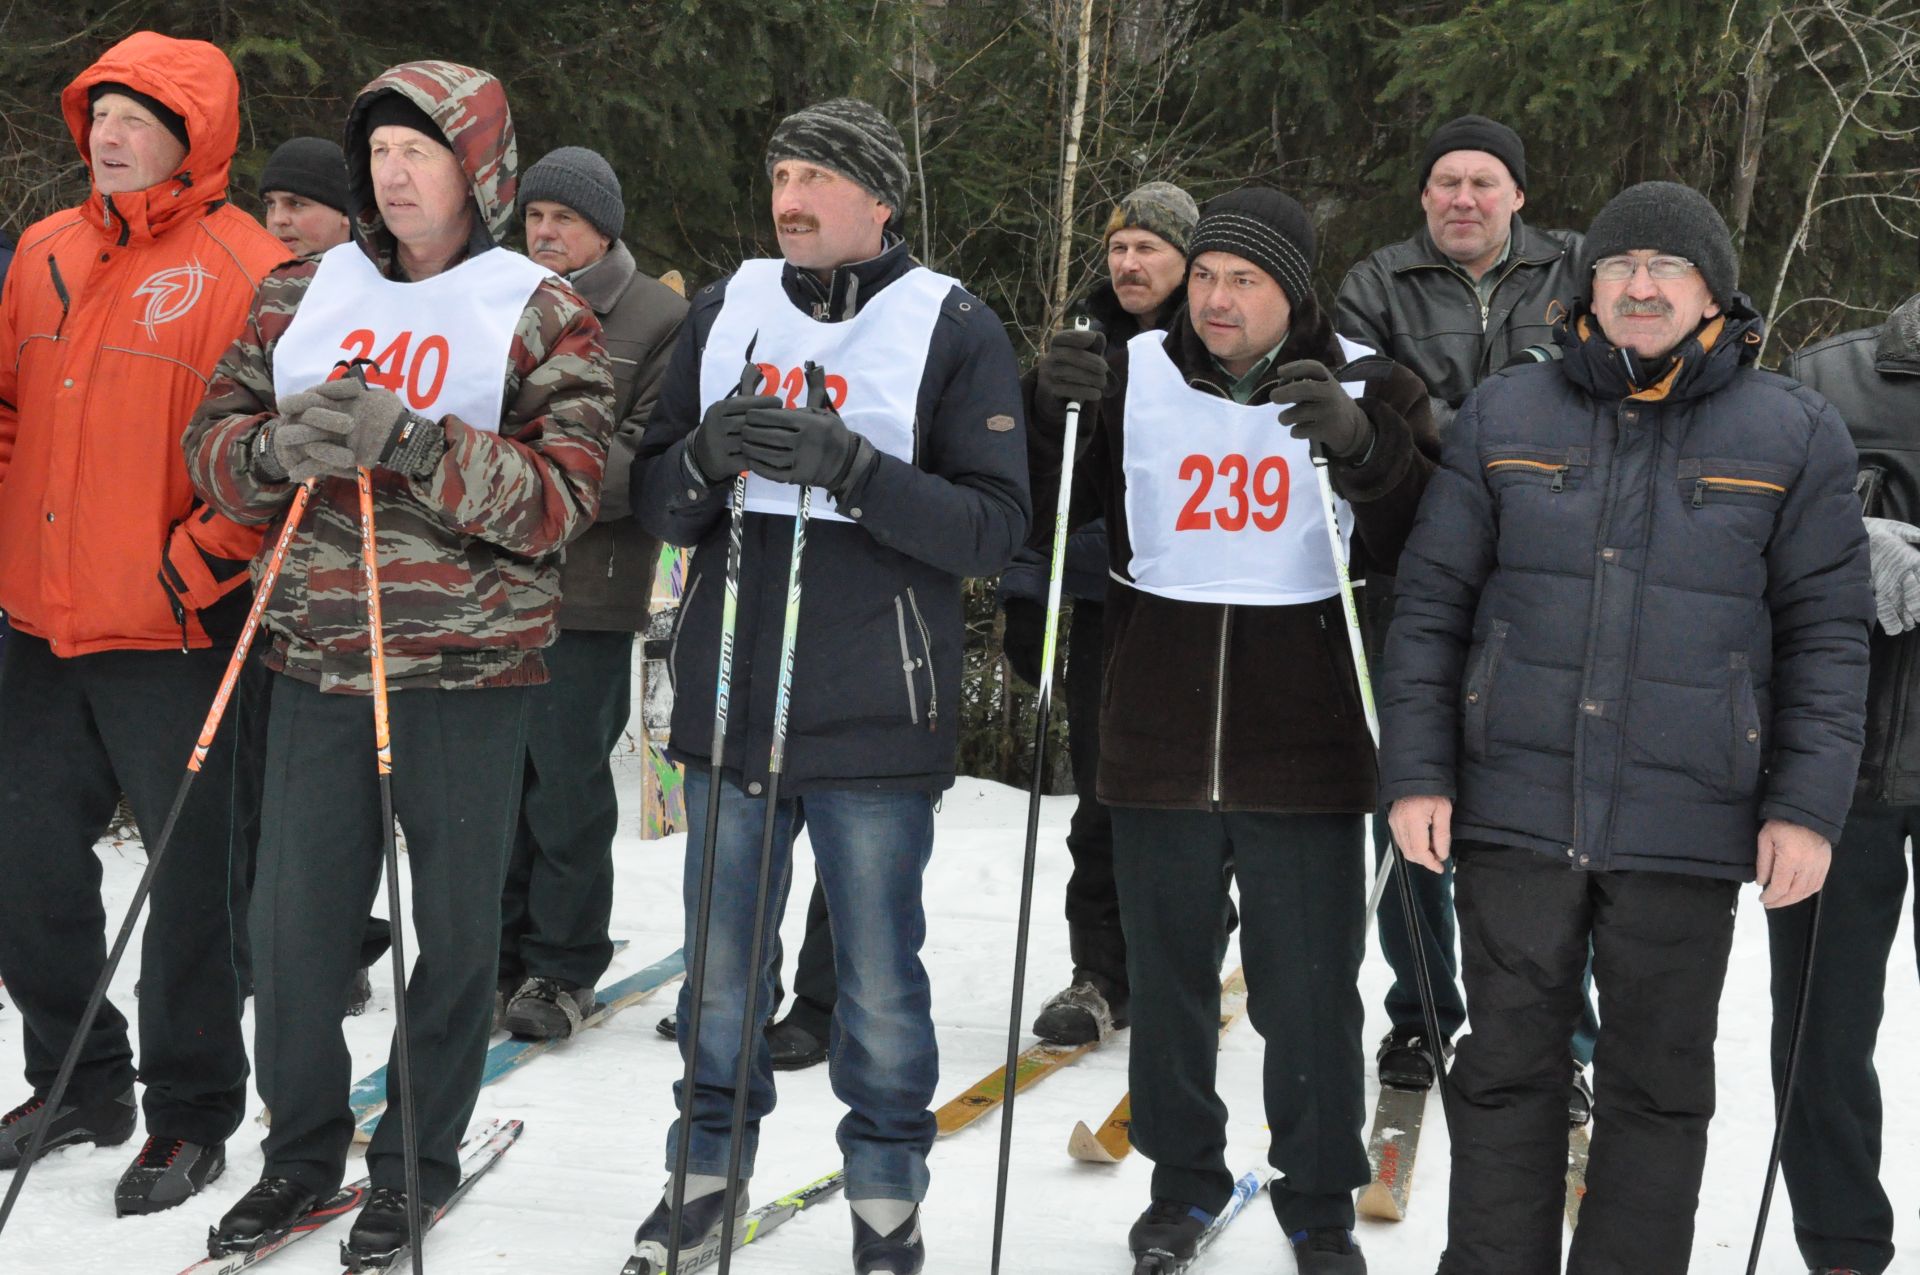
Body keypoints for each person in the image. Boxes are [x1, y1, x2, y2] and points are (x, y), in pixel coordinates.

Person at [1380, 181, 1872, 1273]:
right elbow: (1431, 609)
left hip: (1685, 821)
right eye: (1618, 267)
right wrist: (1418, 772)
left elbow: (1829, 641)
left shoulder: (1793, 432)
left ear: (1714, 294)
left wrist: (1804, 807)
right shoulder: (1507, 417)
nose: (1640, 286)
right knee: (1505, 1073)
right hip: (1516, 809)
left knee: (1656, 1090)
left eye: (1666, 268)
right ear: (1586, 289)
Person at [185, 60, 612, 1266]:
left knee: (455, 938)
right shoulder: (301, 292)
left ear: (477, 169)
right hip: (316, 659)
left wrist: (418, 445)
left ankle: (415, 1160)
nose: (393, 174)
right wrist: (273, 448)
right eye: (379, 153)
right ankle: (300, 1155)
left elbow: (566, 499)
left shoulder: (536, 307)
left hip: (467, 675)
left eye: (420, 151)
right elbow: (209, 447)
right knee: (293, 933)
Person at [632, 97, 1027, 1275]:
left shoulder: (948, 325)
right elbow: (652, 502)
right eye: (781, 177)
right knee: (717, 981)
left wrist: (856, 468)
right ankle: (700, 1185)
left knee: (878, 989)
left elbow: (996, 531)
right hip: (730, 703)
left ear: (881, 198)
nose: (790, 199)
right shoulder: (725, 306)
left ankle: (887, 1202)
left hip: (874, 712)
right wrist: (705, 456)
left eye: (816, 179)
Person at [1031, 186, 1436, 1274]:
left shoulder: (1369, 378)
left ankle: (1317, 1198)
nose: (1213, 299)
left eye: (1241, 281)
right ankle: (1182, 1183)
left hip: (1302, 743)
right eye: (1203, 275)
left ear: (1293, 293)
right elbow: (1038, 510)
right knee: (1167, 984)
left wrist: (1366, 446)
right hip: (1156, 734)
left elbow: (1436, 534)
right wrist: (1044, 411)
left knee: (1306, 992)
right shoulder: (1132, 373)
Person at [0, 31, 284, 1215]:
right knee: (23, 867)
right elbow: (13, 416)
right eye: (98, 115)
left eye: (136, 119)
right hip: (34, 621)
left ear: (193, 136)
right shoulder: (45, 250)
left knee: (189, 888)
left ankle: (189, 1111)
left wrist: (193, 568)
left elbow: (269, 462)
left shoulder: (252, 265)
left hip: (174, 631)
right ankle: (78, 1076)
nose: (108, 136)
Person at [1333, 114, 1596, 1109]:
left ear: (1518, 196)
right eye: (1445, 182)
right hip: (1414, 573)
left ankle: (1557, 1035)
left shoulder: (1578, 270)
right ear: (1424, 197)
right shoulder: (1374, 285)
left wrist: (1438, 418)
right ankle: (1422, 1016)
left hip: (1553, 585)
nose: (1462, 199)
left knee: (1547, 822)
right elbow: (1367, 420)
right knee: (1410, 805)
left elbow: (1602, 398)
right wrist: (1501, 427)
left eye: (1483, 183)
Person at [1001, 178, 1198, 1047]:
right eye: (1118, 247)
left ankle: (1186, 953)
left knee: (1196, 801)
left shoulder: (1219, 345)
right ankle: (1099, 969)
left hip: (1204, 608)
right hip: (1099, 604)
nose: (1128, 261)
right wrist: (1046, 406)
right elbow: (1026, 490)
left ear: (1188, 260)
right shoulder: (1080, 346)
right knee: (1104, 794)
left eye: (1148, 247)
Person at [496, 145, 686, 1038]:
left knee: (565, 785)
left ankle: (562, 967)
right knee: (492, 783)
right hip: (484, 585)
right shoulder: (495, 295)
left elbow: (647, 459)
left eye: (562, 219)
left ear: (602, 227)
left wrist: (516, 478)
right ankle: (494, 955)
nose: (543, 233)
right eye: (534, 217)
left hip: (590, 587)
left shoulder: (655, 317)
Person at [1763, 293, 1920, 1275]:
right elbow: (1738, 533)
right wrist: (1840, 548)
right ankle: (1844, 1253)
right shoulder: (1825, 382)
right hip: (1844, 765)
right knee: (1820, 1047)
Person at [255, 134, 392, 1019]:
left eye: (298, 205)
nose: (280, 221)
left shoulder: (379, 293)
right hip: (272, 587)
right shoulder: (275, 294)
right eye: (269, 206)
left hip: (390, 598)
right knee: (280, 815)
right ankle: (299, 944)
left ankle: (343, 942)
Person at [259, 137, 352, 258]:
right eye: (271, 204)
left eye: (295, 204)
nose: (278, 219)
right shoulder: (247, 272)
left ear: (347, 213)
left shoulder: (376, 273)